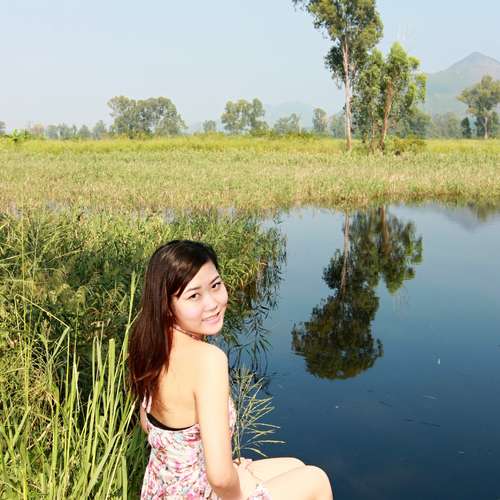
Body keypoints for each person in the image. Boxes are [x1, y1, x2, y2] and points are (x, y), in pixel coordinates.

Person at [129, 240, 334, 500]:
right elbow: (220, 477)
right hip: (199, 492)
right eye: (194, 296)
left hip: (166, 489)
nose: (212, 303)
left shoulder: (151, 346)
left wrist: (228, 469)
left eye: (215, 285)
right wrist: (238, 488)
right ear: (166, 306)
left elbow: (151, 427)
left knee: (294, 466)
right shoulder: (208, 360)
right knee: (315, 479)